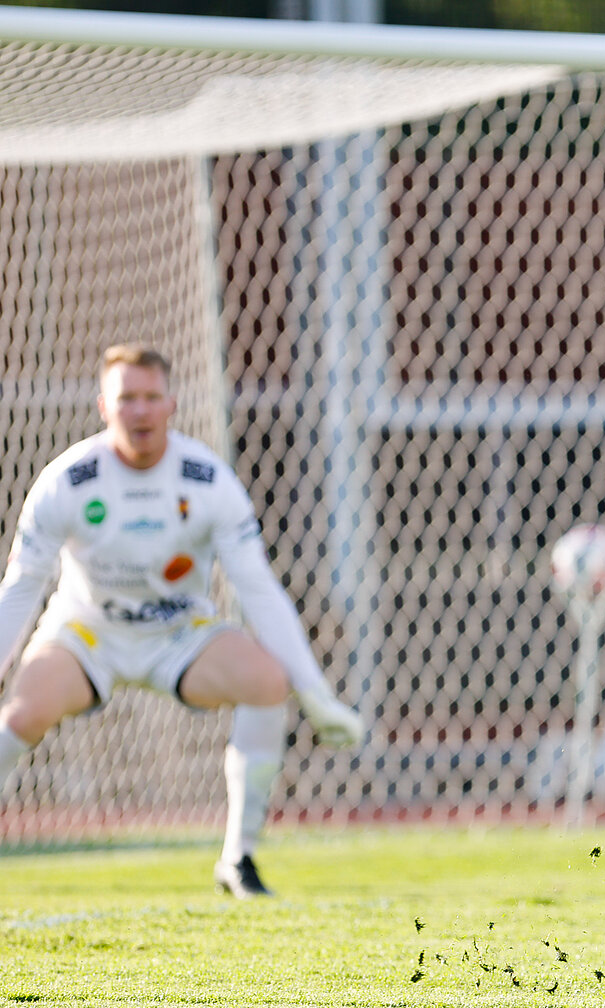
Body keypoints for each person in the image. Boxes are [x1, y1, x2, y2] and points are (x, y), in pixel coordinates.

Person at [0, 345, 366, 897]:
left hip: (178, 634)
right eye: (127, 399)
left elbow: (258, 589)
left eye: (151, 398)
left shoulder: (206, 480)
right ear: (104, 406)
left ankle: (238, 860)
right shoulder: (68, 481)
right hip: (87, 632)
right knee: (22, 714)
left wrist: (315, 694)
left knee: (267, 683)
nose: (140, 412)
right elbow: (22, 587)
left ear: (172, 403)